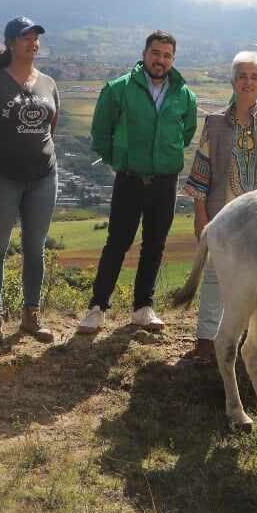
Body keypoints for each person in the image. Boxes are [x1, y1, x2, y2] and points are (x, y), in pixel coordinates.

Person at [77, 30, 199, 334]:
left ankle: (143, 308)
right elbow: (101, 132)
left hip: (165, 181)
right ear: (145, 54)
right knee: (117, 242)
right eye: (156, 53)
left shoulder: (184, 95)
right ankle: (97, 308)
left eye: (167, 55)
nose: (161, 60)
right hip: (129, 178)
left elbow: (186, 133)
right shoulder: (119, 89)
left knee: (155, 245)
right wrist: (119, 160)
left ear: (173, 59)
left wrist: (164, 158)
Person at [180, 51, 257, 365]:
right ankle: (205, 342)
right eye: (242, 76)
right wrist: (200, 214)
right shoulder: (215, 123)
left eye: (254, 77)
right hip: (223, 217)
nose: (248, 82)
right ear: (233, 81)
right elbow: (202, 172)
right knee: (215, 278)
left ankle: (245, 344)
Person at [0, 17, 61, 346]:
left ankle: (31, 315)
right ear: (10, 44)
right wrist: (1, 149)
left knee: (36, 249)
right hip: (1, 177)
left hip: (43, 177)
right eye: (25, 37)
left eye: (36, 37)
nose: (32, 42)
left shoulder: (49, 83)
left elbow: (50, 129)